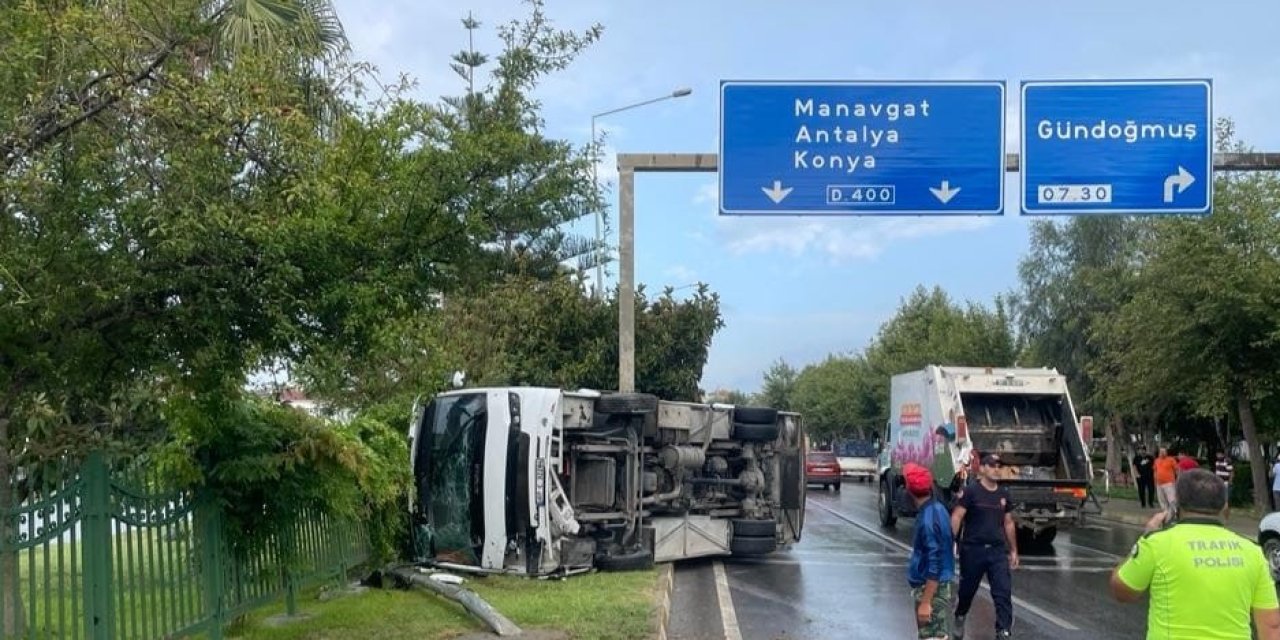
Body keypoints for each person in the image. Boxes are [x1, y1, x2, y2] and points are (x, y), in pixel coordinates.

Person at [1109, 469, 1280, 640]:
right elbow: (1271, 626)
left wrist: (1144, 538)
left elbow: (1123, 591)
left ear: (1176, 508)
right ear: (1225, 508)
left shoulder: (1157, 544)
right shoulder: (1253, 552)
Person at [951, 453, 1018, 639]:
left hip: (997, 551)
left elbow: (1008, 523)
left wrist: (1013, 550)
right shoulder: (971, 492)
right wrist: (951, 541)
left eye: (999, 466)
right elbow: (957, 516)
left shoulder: (1003, 495)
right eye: (991, 465)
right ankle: (960, 615)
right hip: (973, 550)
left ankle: (1003, 630)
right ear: (982, 468)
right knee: (967, 591)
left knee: (1003, 592)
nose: (996, 469)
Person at [904, 463, 955, 640]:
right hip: (933, 587)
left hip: (931, 589)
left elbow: (935, 562)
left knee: (933, 636)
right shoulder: (937, 509)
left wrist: (926, 602)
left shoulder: (928, 518)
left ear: (909, 490)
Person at [1154, 447, 1178, 517]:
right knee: (1162, 499)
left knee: (1171, 499)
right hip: (1159, 483)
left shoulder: (1171, 459)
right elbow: (1155, 471)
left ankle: (1175, 512)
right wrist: (1155, 481)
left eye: (1164, 451)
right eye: (1161, 451)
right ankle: (1166, 513)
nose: (1162, 453)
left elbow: (1176, 470)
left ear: (1166, 452)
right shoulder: (1156, 460)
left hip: (1169, 483)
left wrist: (1178, 478)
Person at [1214, 451, 1234, 518]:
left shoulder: (1227, 462)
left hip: (1225, 483)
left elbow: (1231, 472)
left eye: (1219, 454)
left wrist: (1230, 481)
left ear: (1222, 455)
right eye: (1217, 454)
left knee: (1226, 500)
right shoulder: (1217, 462)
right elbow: (1217, 471)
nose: (1218, 456)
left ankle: (1226, 516)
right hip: (1218, 483)